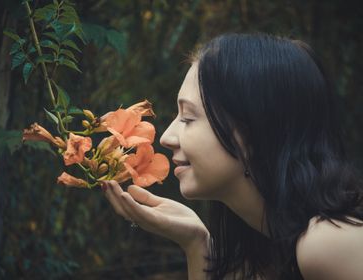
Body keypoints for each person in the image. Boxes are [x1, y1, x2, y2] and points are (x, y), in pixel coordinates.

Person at [101, 33, 363, 279]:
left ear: (252, 132)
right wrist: (196, 243)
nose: (167, 138)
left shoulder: (326, 243)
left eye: (189, 118)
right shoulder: (264, 245)